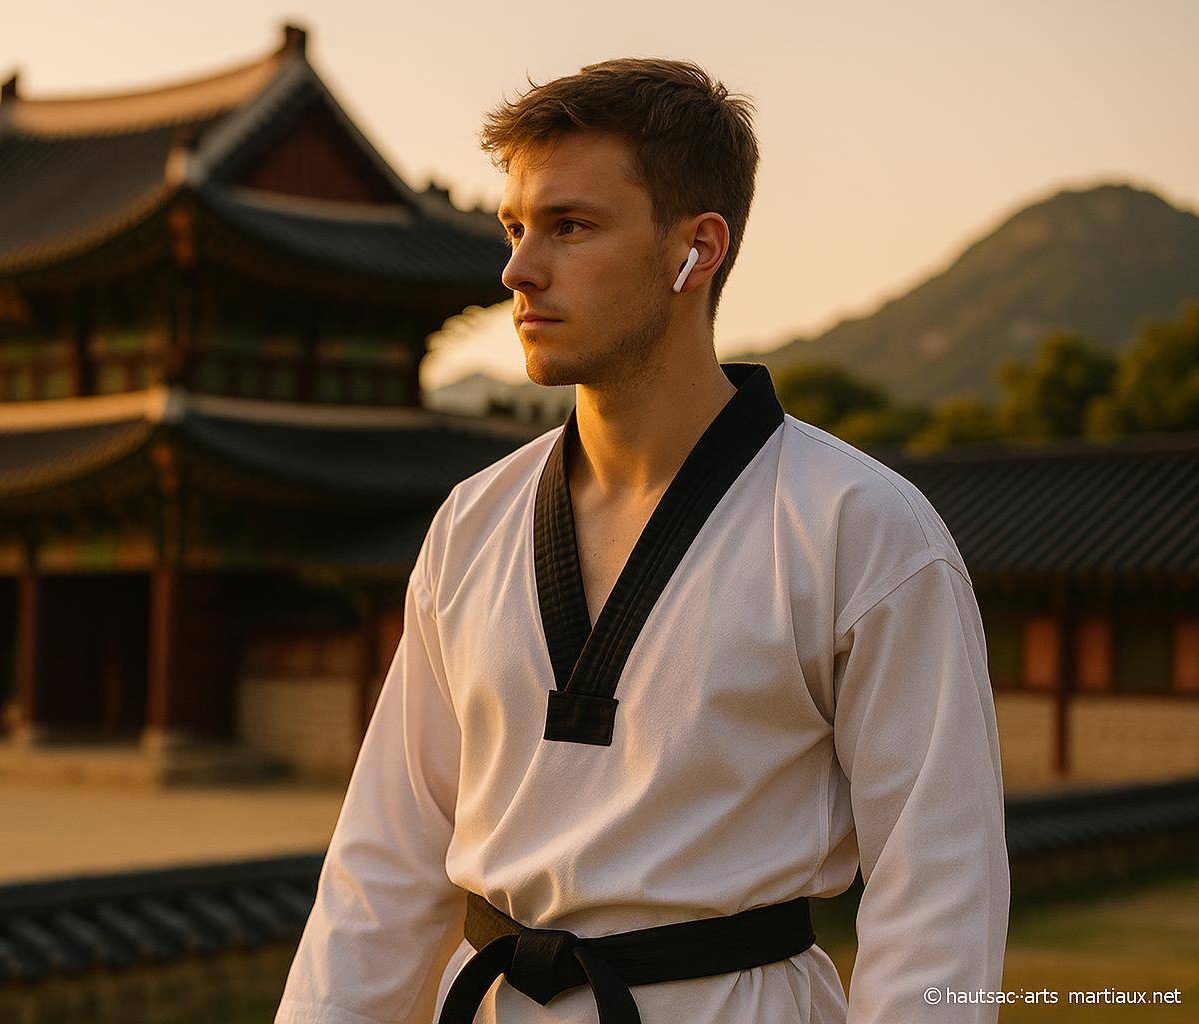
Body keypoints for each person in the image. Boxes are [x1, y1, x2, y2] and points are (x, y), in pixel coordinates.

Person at [275, 56, 1009, 1024]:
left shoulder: (858, 526)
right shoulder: (473, 521)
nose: (517, 269)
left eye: (571, 226)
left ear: (695, 249)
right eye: (516, 227)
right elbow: (388, 858)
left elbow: (941, 891)